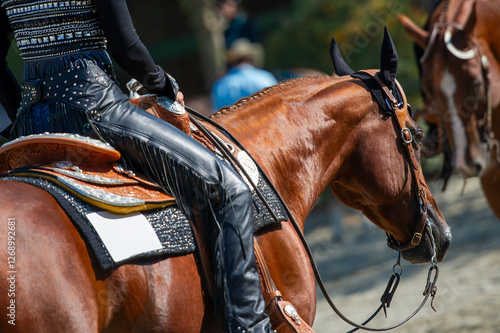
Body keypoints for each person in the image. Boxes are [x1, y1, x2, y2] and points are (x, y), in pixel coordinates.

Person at [0, 1, 274, 332]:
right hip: (94, 108)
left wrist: (19, 113)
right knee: (227, 188)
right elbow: (126, 47)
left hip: (31, 125)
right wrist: (165, 87)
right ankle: (250, 326)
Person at [211, 38, 278, 112]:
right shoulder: (265, 77)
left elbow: (216, 115)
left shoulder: (222, 84)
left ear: (232, 61)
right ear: (251, 58)